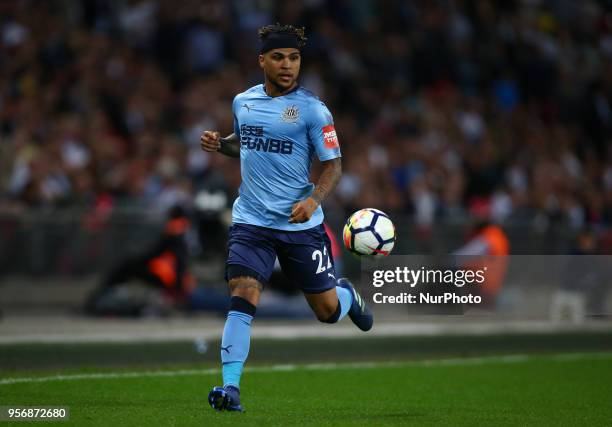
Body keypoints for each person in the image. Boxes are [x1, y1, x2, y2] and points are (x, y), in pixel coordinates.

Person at [200, 24, 372, 412]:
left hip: (300, 226)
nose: (287, 65)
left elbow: (334, 166)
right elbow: (244, 145)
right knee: (243, 293)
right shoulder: (243, 102)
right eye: (279, 57)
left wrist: (314, 201)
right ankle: (230, 389)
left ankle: (348, 296)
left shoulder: (313, 110)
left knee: (326, 312)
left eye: (294, 58)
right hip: (250, 222)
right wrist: (220, 145)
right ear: (262, 60)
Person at [85, 205, 195, 315]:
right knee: (131, 265)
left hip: (168, 278)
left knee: (129, 266)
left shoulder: (175, 229)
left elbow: (160, 254)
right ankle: (110, 294)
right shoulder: (185, 231)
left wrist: (137, 260)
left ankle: (102, 295)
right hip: (173, 279)